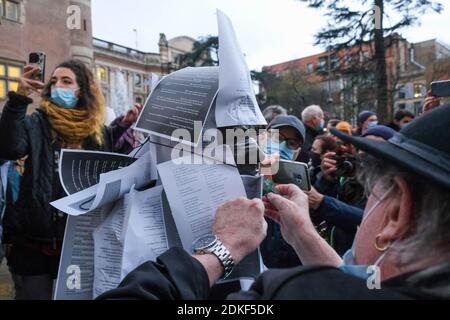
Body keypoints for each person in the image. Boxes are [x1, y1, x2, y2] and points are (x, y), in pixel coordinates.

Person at [99, 103, 450, 300]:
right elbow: (363, 286)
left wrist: (222, 248)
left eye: (373, 191)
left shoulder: (294, 295)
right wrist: (303, 234)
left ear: (396, 212)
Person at [0, 60, 140, 300]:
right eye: (54, 81)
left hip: (79, 241)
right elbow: (9, 147)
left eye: (66, 81)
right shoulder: (37, 122)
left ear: (81, 90)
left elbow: (111, 163)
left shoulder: (96, 130)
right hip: (34, 242)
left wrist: (122, 127)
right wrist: (18, 99)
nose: (58, 86)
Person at [259, 115, 305, 268]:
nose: (283, 146)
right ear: (263, 138)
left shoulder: (303, 192)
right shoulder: (240, 177)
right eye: (277, 137)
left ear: (297, 153)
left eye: (292, 143)